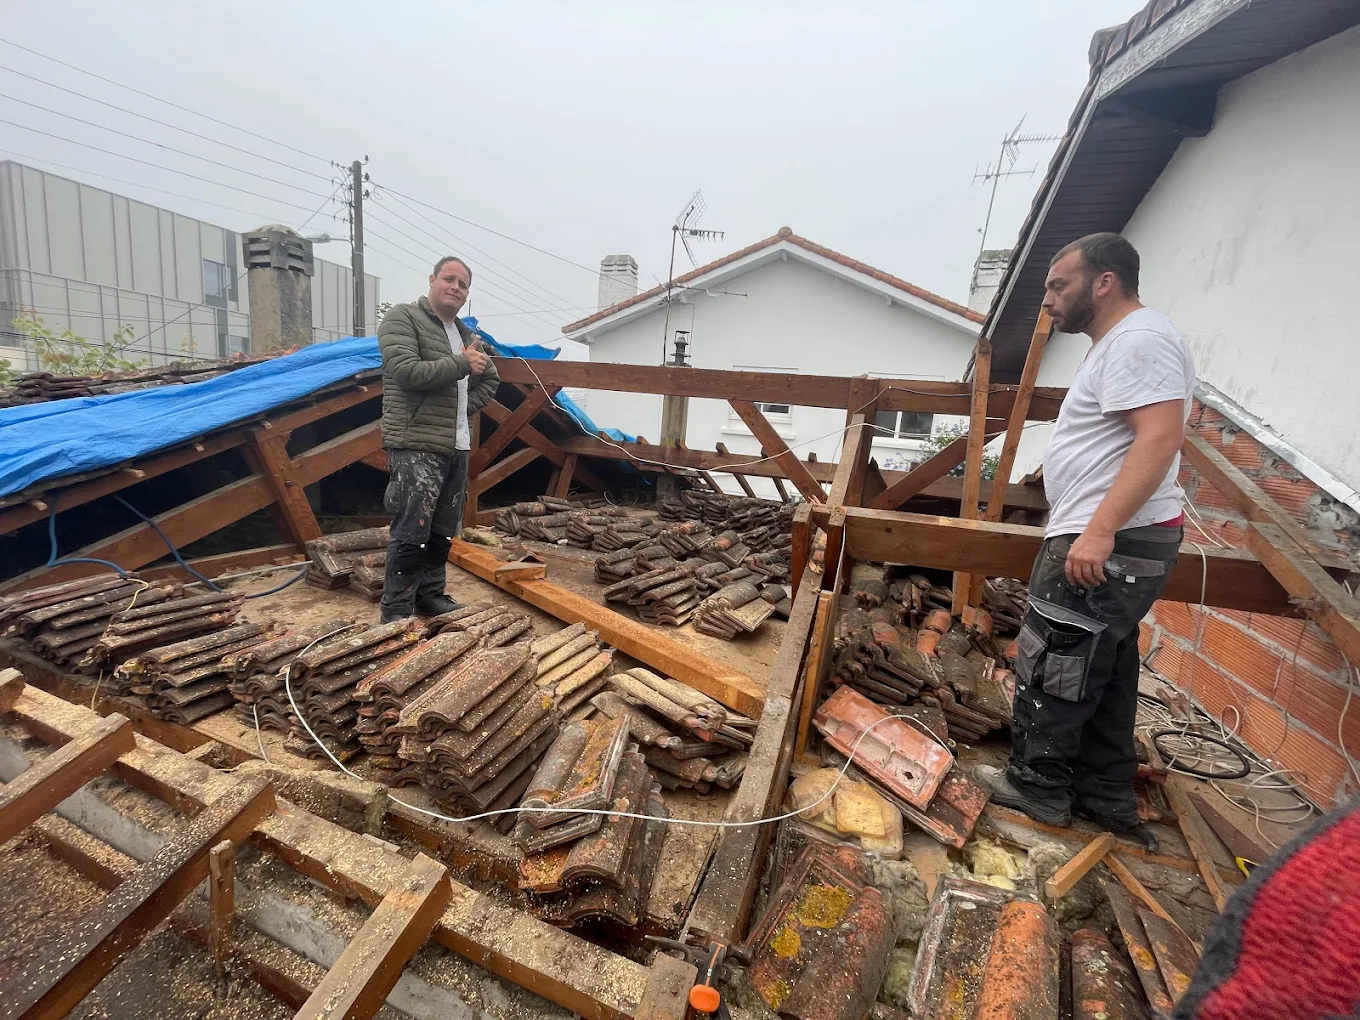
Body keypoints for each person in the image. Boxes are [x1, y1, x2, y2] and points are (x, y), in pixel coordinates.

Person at [976, 232, 1195, 851]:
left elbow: (1159, 437)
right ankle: (1104, 795)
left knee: (1057, 661)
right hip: (1126, 536)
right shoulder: (1132, 342)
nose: (1048, 300)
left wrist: (1098, 530)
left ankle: (1039, 788)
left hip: (1111, 539)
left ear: (1104, 281)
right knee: (1107, 666)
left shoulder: (1138, 340)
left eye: (1057, 285)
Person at [376, 256, 500, 623]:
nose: (455, 287)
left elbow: (491, 379)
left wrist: (460, 412)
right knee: (411, 527)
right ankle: (396, 610)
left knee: (443, 528)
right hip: (416, 443)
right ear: (431, 279)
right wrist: (462, 364)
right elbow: (405, 372)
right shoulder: (403, 318)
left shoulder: (465, 334)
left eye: (463, 284)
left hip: (457, 444)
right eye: (449, 279)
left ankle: (430, 596)